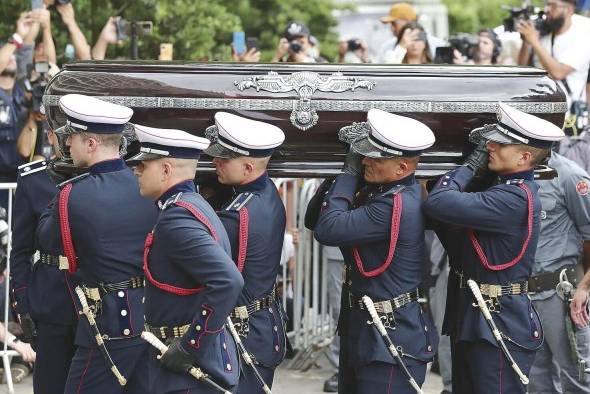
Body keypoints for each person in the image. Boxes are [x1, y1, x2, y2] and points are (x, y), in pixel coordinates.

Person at [423, 102, 565, 393]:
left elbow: (439, 202)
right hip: (474, 315)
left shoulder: (514, 198)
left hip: (498, 323)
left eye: (501, 144)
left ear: (525, 157)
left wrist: (470, 166)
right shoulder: (499, 189)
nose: (490, 146)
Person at [36, 94, 158, 393]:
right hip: (148, 315)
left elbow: (49, 241)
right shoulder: (147, 185)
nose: (67, 145)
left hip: (104, 322)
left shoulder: (72, 195)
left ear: (91, 144)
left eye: (73, 138)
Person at [311, 108, 438, 393]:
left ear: (402, 169)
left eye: (375, 157)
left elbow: (327, 229)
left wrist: (348, 172)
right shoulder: (378, 192)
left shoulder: (393, 204)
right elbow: (313, 219)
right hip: (363, 329)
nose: (366, 160)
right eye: (364, 154)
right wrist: (344, 175)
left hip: (388, 338)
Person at [129, 124, 243, 393]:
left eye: (144, 165)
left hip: (188, 374)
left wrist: (191, 345)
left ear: (166, 170)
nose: (136, 170)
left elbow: (228, 281)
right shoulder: (190, 204)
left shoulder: (177, 218)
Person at [203, 112, 287, 392]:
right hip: (261, 325)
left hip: (244, 333)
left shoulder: (238, 216)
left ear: (249, 167)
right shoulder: (265, 191)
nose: (215, 162)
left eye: (223, 159)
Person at [9, 113, 77, 394]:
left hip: (98, 298)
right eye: (61, 135)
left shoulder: (104, 178)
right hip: (51, 300)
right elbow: (21, 251)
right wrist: (24, 304)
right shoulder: (33, 180)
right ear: (50, 136)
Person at [527, 151, 590, 393]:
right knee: (536, 380)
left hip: (560, 294)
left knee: (577, 376)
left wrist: (584, 287)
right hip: (524, 295)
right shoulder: (510, 175)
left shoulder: (570, 176)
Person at [518, 0, 590, 109]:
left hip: (568, 116)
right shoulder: (543, 36)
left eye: (553, 5)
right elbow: (521, 68)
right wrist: (526, 41)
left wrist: (533, 41)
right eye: (547, 4)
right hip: (538, 110)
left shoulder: (581, 39)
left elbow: (558, 72)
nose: (547, 10)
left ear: (569, 10)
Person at [379, 2, 445, 63]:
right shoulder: (387, 47)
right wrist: (401, 47)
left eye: (394, 24)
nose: (391, 29)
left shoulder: (437, 45)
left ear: (408, 21)